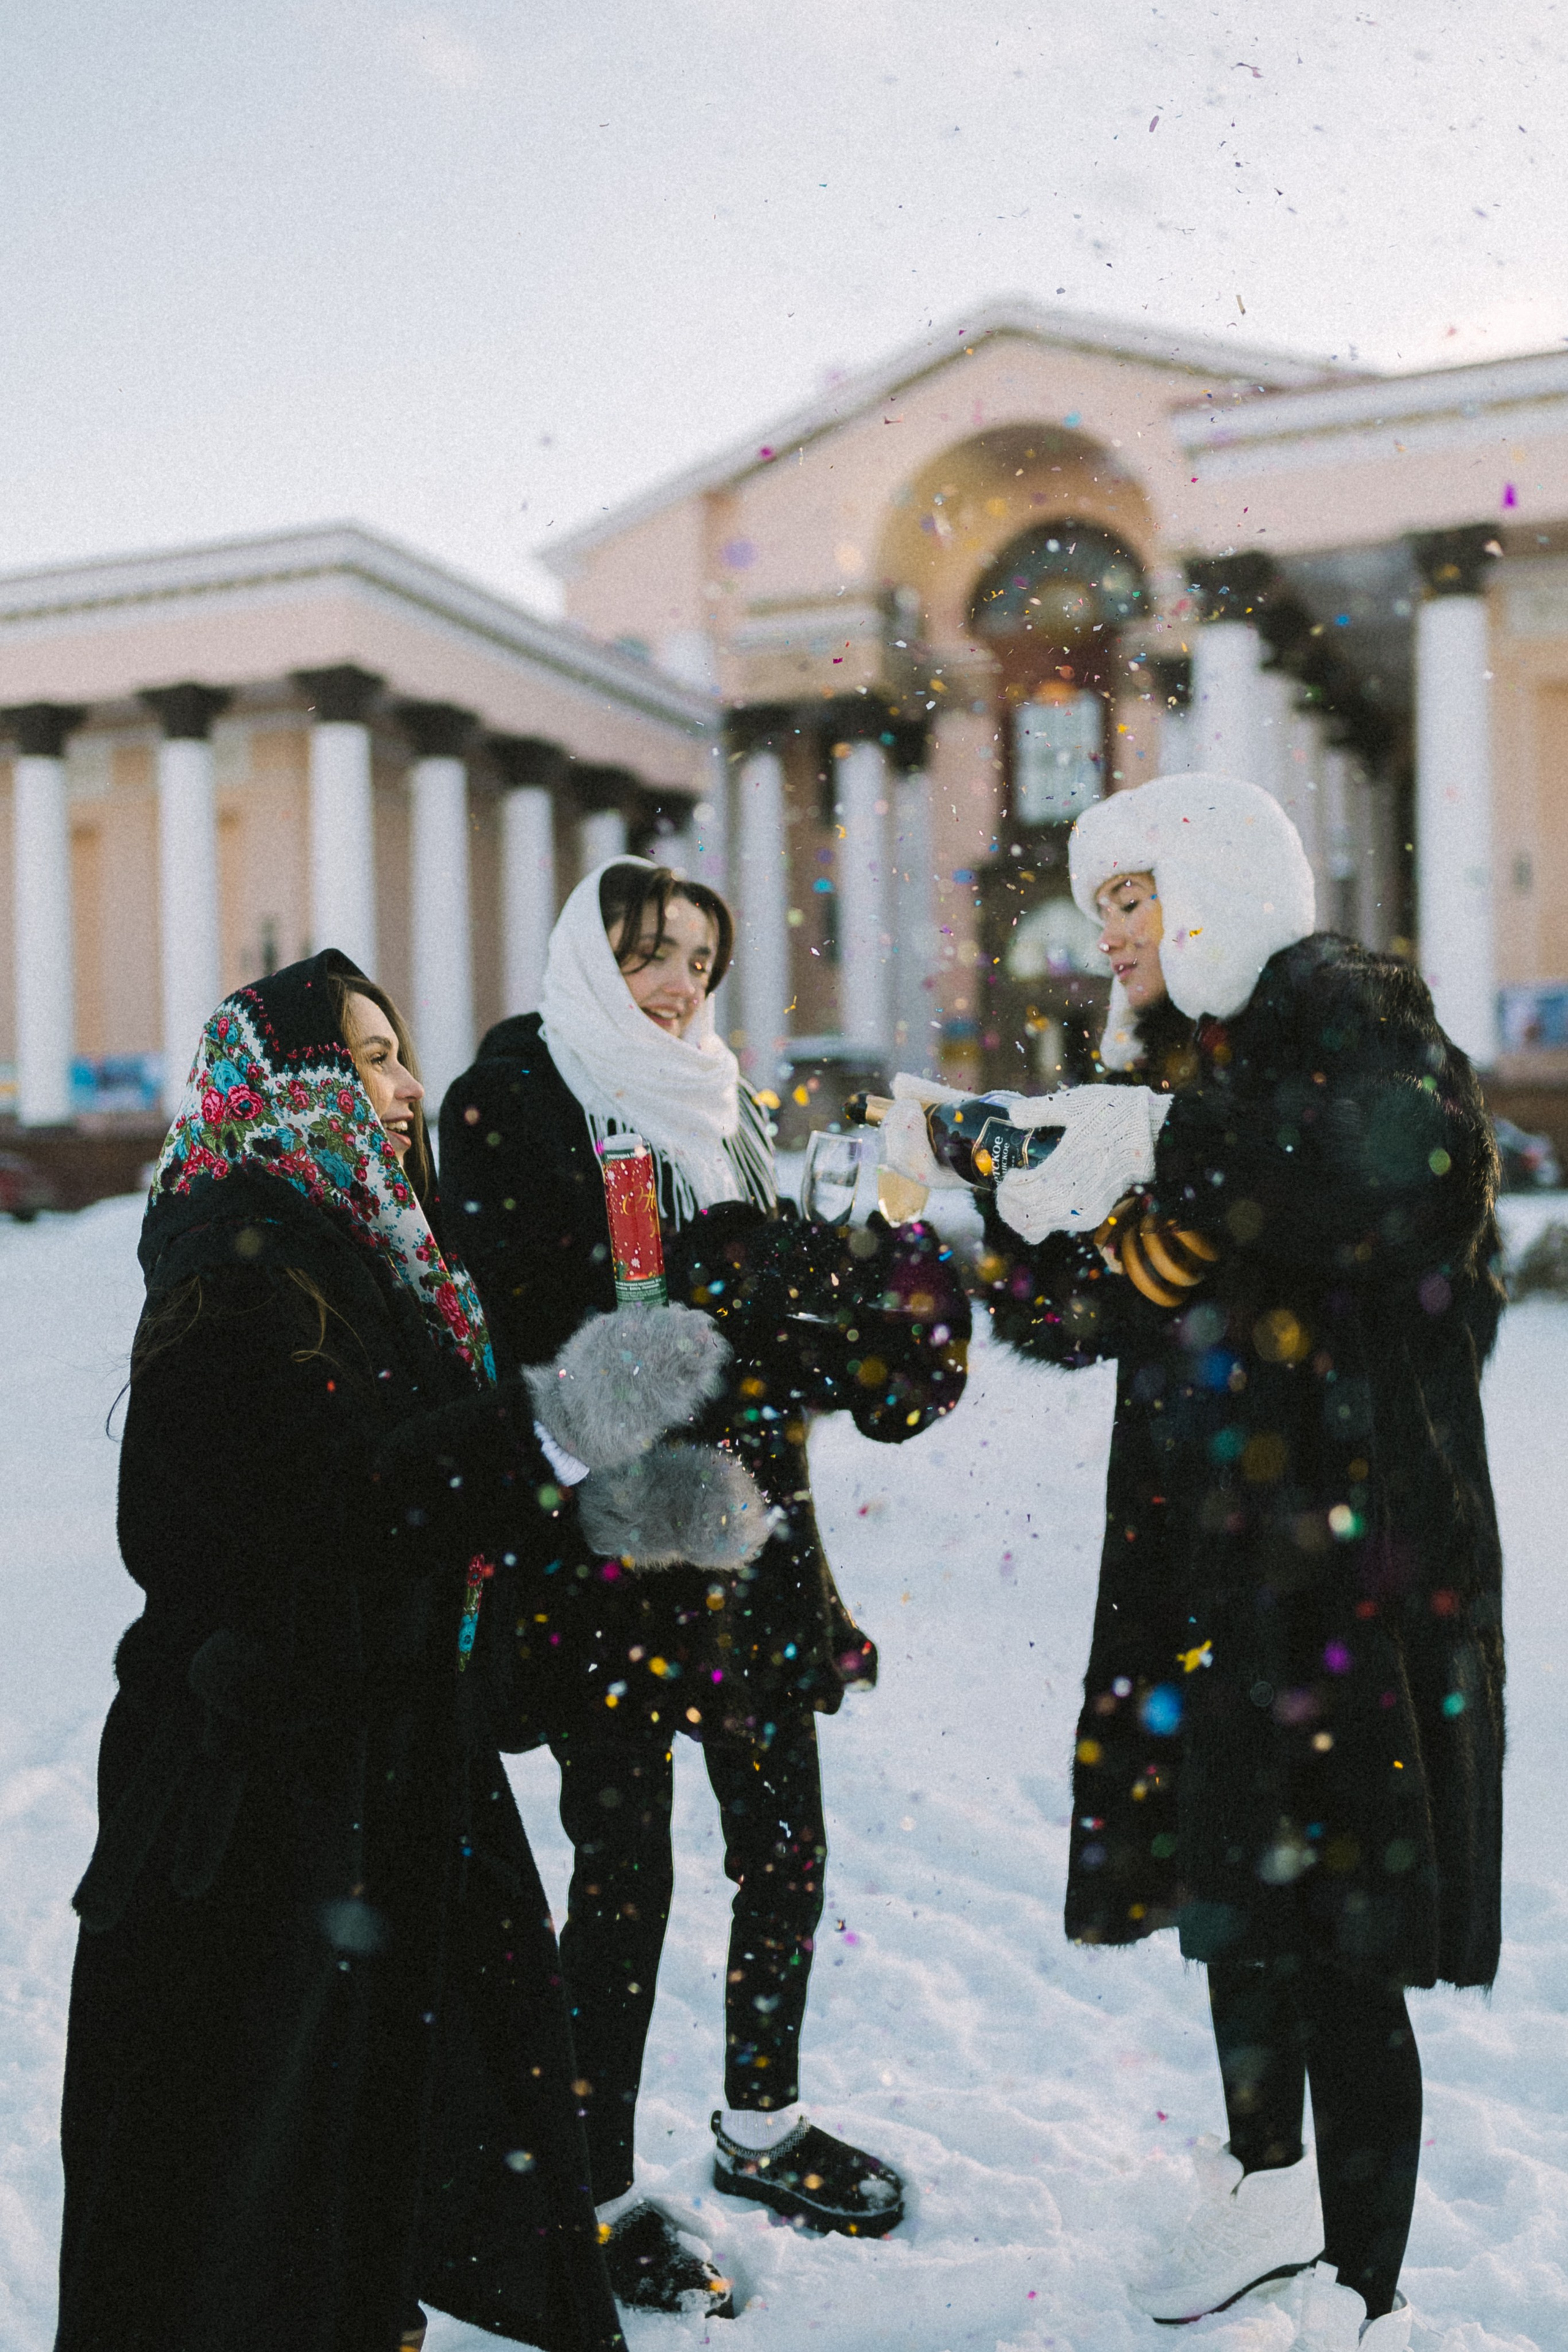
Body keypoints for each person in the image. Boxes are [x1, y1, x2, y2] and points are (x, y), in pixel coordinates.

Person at [57, 947, 762, 2352]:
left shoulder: (389, 1259)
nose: (404, 1085)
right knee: (256, 2209)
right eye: (368, 1056)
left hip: (388, 1789)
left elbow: (438, 1534)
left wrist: (608, 1530)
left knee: (376, 2167)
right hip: (257, 1812)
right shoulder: (236, 1249)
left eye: (398, 1053)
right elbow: (290, 1515)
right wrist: (549, 1428)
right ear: (291, 1083)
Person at [885, 773, 1504, 2352]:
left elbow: (1390, 1178)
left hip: (1344, 1575)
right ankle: (1261, 2186)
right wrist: (1011, 1196)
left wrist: (1148, 1151)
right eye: (1096, 911)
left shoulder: (1349, 1015)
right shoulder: (1187, 1083)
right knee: (1235, 1901)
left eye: (1130, 902)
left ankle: (1364, 2285)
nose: (1108, 942)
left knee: (1345, 1935)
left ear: (1219, 887)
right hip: (1219, 1571)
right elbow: (1086, 1318)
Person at [440, 859, 970, 2316]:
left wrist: (882, 1308)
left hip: (748, 1551)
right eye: (650, 954)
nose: (679, 985)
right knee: (624, 1875)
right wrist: (713, 1296)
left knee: (784, 1846)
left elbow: (769, 1323)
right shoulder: (516, 1100)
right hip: (610, 1555)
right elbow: (540, 1339)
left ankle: (757, 2126)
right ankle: (593, 2187)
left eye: (698, 959)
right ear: (590, 960)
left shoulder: (719, 1102)